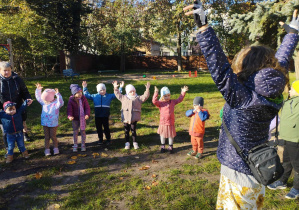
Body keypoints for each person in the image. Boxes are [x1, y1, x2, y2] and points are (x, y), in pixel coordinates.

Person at [184, 2, 299, 209]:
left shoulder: (244, 98)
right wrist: (292, 34)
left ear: (247, 67)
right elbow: (281, 60)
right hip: (257, 170)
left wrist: (204, 28)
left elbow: (219, 69)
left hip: (238, 178)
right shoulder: (274, 86)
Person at [267, 80, 299, 199]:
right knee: (286, 161)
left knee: (297, 164)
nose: (289, 90)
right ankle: (283, 181)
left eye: (292, 88)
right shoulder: (289, 101)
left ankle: (297, 188)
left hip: (295, 138)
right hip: (286, 136)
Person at [0, 61, 33, 158]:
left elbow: (25, 91)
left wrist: (28, 98)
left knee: (20, 126)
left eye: (8, 70)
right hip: (3, 110)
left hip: (17, 107)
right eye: (4, 70)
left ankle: (22, 147)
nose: (7, 72)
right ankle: (9, 151)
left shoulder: (17, 79)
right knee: (5, 130)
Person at [82, 81, 123, 145]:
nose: (103, 91)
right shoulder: (95, 96)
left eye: (104, 89)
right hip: (98, 115)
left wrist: (119, 88)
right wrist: (84, 87)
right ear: (98, 90)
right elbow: (86, 95)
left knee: (106, 127)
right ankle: (100, 139)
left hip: (105, 115)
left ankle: (108, 139)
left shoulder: (109, 96)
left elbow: (117, 94)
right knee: (99, 128)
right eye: (101, 90)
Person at [113, 81, 150, 149]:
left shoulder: (138, 98)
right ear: (127, 92)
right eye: (131, 91)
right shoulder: (124, 98)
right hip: (126, 118)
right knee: (126, 130)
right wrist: (115, 88)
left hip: (134, 118)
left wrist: (147, 89)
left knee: (133, 130)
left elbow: (145, 96)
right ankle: (127, 143)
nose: (133, 92)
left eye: (133, 91)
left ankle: (135, 142)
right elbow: (117, 94)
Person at [152, 85, 188, 153]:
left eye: (168, 95)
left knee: (171, 135)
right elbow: (154, 101)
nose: (167, 97)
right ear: (162, 96)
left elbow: (179, 99)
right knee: (162, 134)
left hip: (170, 122)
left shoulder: (172, 102)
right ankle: (163, 146)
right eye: (165, 96)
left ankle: (170, 146)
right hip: (163, 122)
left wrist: (183, 92)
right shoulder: (160, 103)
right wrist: (156, 92)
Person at [35, 83, 64, 156]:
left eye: (45, 99)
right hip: (45, 123)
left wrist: (58, 94)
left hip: (53, 123)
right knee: (47, 137)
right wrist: (38, 89)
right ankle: (47, 149)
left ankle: (56, 148)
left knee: (53, 136)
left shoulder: (55, 104)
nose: (44, 100)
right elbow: (38, 97)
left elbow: (60, 102)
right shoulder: (44, 103)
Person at [67, 84, 90, 152]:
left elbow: (87, 107)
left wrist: (87, 114)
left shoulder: (83, 99)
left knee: (83, 131)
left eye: (81, 92)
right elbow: (69, 110)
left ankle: (83, 144)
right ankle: (75, 144)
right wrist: (70, 116)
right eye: (78, 92)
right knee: (75, 132)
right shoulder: (71, 100)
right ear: (74, 94)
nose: (80, 94)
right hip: (75, 119)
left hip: (83, 118)